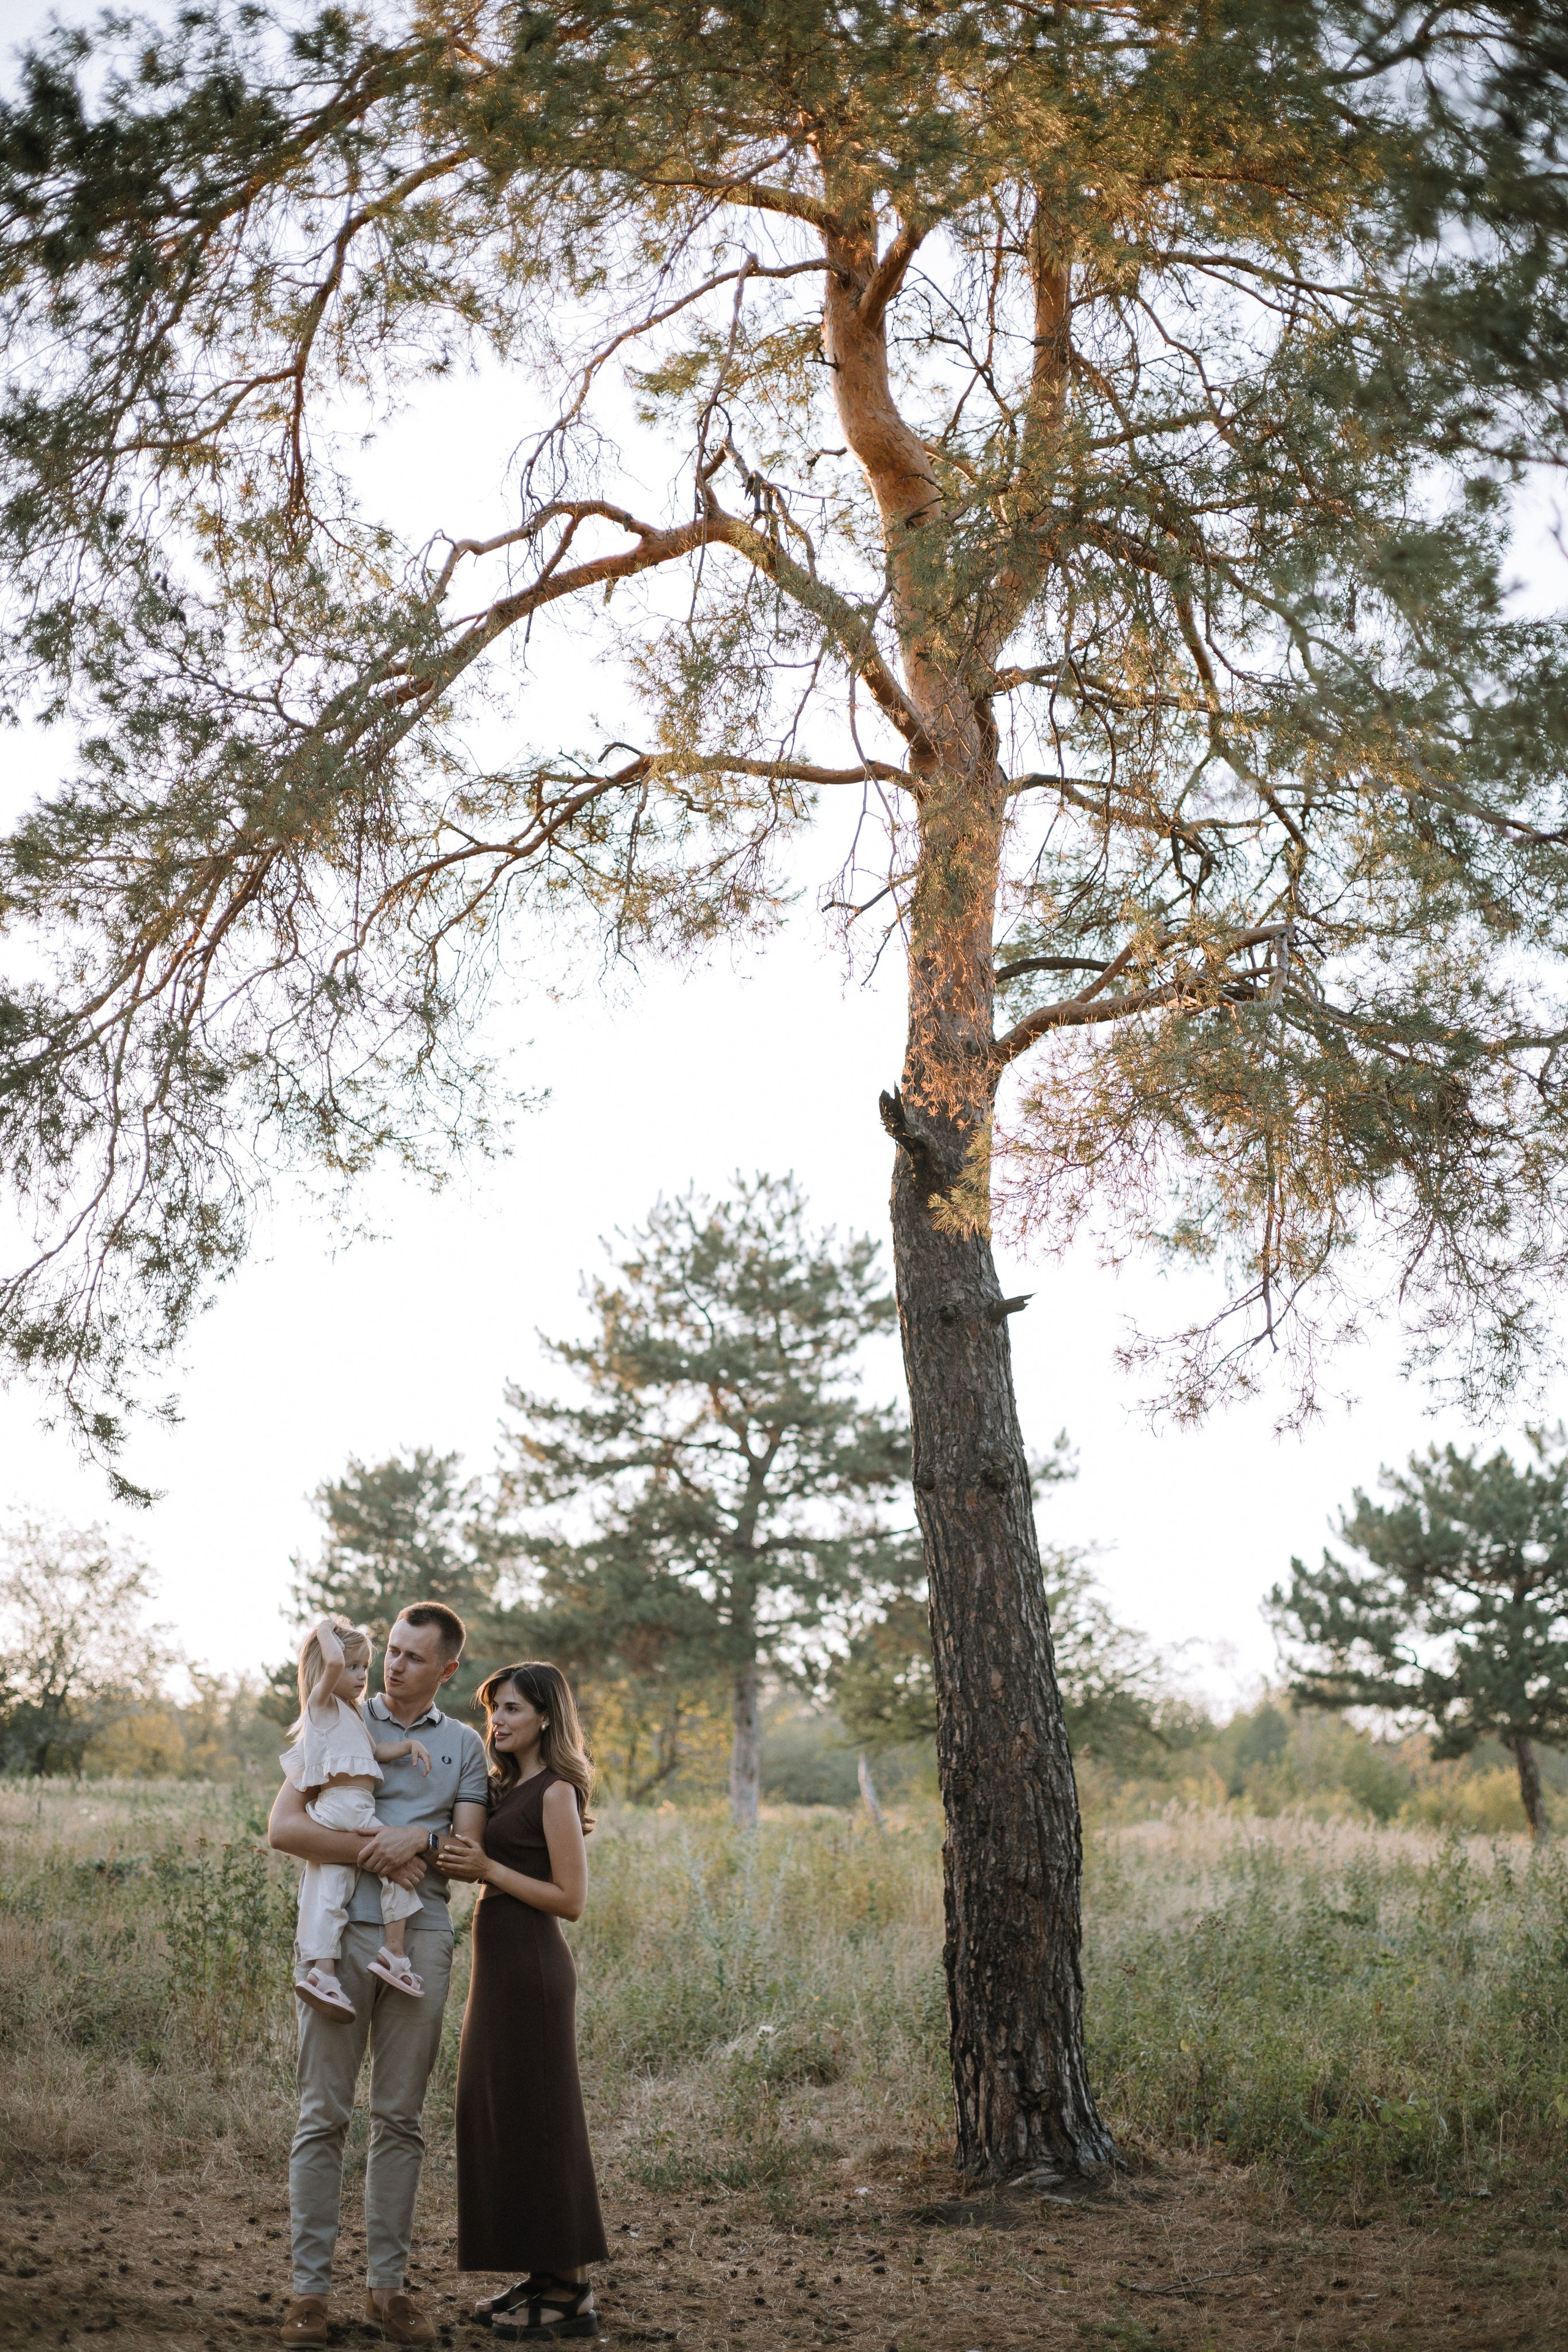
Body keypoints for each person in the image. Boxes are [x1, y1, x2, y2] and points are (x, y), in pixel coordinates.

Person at [268, 1604, 489, 2350]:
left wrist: (416, 1838)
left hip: (418, 1942)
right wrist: (375, 1849)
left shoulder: (463, 1745)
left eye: (413, 1657)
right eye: (390, 1651)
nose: (393, 1666)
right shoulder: (337, 1715)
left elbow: (467, 1851)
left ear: (446, 1669)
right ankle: (309, 2293)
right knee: (322, 2114)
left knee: (400, 2118)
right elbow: (283, 1828)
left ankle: (386, 2291)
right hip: (333, 1942)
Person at [437, 1661, 608, 2340]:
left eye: (511, 1709)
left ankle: (571, 2290)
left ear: (544, 1716)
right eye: (493, 1710)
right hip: (500, 1968)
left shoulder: (556, 1791)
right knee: (505, 2113)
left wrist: (488, 1869)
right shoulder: (505, 1786)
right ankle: (543, 2275)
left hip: (534, 1970)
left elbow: (571, 1900)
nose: (498, 1721)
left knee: (542, 2117)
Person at [282, 1613, 434, 2018]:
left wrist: (408, 1746)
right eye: (352, 1667)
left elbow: (376, 1753)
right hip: (346, 1805)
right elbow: (331, 1661)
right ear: (326, 1668)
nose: (362, 1675)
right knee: (398, 1864)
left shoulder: (352, 1714)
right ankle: (394, 1953)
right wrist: (324, 1629)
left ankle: (323, 1972)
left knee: (331, 1890)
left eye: (365, 1666)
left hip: (349, 1808)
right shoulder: (321, 1704)